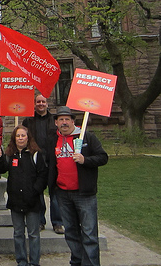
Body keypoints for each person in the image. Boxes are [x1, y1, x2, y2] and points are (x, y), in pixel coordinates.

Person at [48, 106, 108, 266]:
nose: (64, 122)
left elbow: (103, 157)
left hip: (84, 194)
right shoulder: (53, 140)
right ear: (56, 123)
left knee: (89, 234)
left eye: (67, 119)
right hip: (63, 193)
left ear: (73, 121)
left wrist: (85, 160)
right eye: (61, 119)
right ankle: (77, 261)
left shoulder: (86, 137)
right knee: (71, 233)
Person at [0, 125, 48, 266]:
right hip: (16, 201)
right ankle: (21, 261)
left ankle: (34, 262)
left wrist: (35, 191)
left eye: (23, 135)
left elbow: (43, 176)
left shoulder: (36, 154)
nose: (20, 138)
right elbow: (2, 169)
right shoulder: (10, 154)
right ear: (14, 138)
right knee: (18, 233)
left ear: (28, 137)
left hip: (32, 201)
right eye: (18, 136)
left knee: (33, 234)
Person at [22, 94, 64, 234]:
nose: (41, 104)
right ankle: (40, 221)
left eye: (43, 102)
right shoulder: (28, 120)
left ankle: (57, 222)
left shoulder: (54, 120)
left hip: (53, 160)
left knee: (55, 193)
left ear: (47, 104)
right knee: (38, 192)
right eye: (38, 102)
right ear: (34, 104)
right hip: (36, 160)